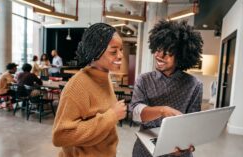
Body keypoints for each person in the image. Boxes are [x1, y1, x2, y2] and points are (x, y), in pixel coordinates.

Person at [130, 20, 204, 157]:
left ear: (181, 56)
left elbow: (192, 124)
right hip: (145, 150)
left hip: (177, 149)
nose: (160, 56)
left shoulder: (194, 85)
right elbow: (136, 114)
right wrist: (162, 110)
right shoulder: (144, 80)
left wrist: (186, 145)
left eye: (169, 52)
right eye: (158, 49)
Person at [52, 23, 127, 157]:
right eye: (113, 51)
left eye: (121, 49)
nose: (120, 55)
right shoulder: (78, 85)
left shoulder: (105, 77)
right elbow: (61, 136)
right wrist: (112, 116)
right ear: (95, 51)